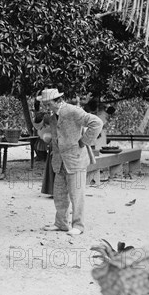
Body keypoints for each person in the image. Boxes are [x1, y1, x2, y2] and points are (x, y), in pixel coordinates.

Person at [37, 88, 103, 236]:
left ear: (58, 101)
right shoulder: (54, 117)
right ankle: (61, 223)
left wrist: (84, 141)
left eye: (48, 104)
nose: (46, 107)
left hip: (76, 160)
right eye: (45, 104)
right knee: (59, 194)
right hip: (59, 161)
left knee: (76, 195)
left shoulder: (73, 111)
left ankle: (78, 226)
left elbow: (96, 123)